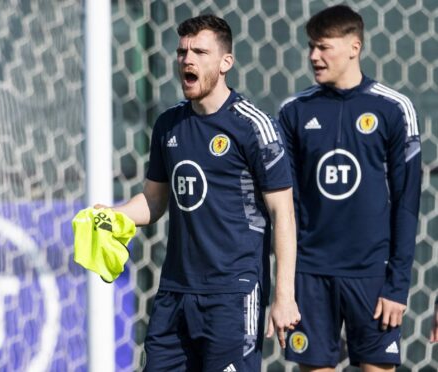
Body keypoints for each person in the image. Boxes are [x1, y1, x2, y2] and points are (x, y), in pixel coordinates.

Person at [95, 14, 300, 371]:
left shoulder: (254, 126)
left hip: (232, 294)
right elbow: (154, 201)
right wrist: (114, 214)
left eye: (200, 52)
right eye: (182, 51)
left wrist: (284, 295)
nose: (187, 59)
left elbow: (283, 213)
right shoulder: (168, 125)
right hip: (175, 292)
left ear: (225, 63)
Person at [278, 5, 421, 371]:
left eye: (323, 47)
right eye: (311, 46)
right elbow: (285, 206)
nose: (313, 56)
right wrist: (285, 288)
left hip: (371, 275)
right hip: (310, 274)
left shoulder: (393, 108)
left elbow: (406, 203)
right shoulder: (293, 111)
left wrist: (397, 286)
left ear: (354, 47)